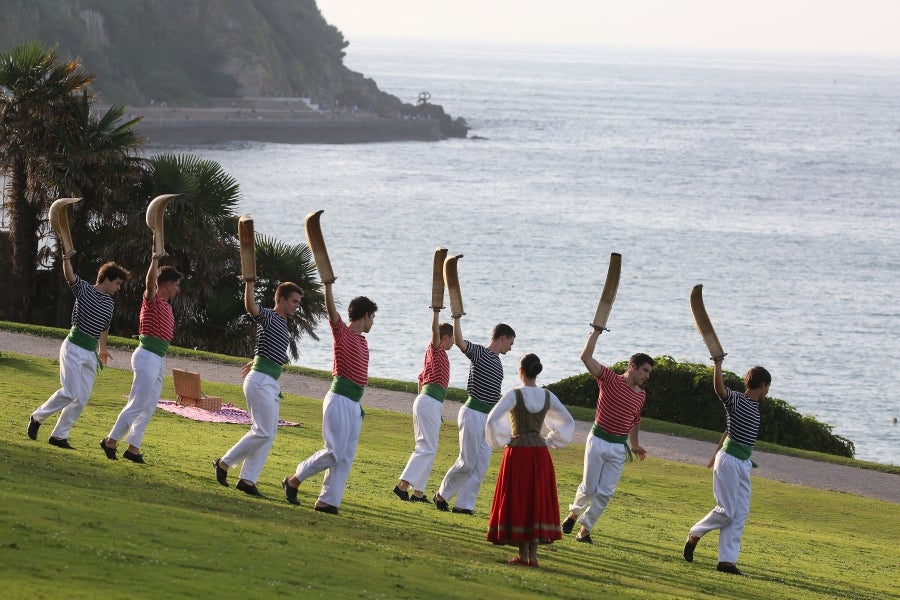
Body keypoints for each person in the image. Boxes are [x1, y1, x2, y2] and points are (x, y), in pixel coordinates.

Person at [282, 285, 377, 514]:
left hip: (354, 404)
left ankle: (328, 502)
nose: (373, 323)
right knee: (334, 452)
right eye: (372, 317)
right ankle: (294, 480)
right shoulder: (341, 332)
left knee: (345, 457)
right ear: (365, 315)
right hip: (339, 399)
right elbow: (331, 311)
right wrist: (328, 286)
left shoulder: (363, 342)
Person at [561, 327, 653, 544]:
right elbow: (586, 357)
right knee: (589, 487)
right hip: (598, 440)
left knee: (605, 493)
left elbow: (635, 420)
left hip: (619, 447)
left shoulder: (641, 395)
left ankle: (584, 531)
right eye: (645, 370)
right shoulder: (609, 378)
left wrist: (635, 444)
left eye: (649, 372)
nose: (647, 376)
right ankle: (573, 514)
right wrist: (596, 332)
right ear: (632, 367)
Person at [28, 258, 130, 449]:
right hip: (73, 348)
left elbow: (104, 328)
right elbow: (69, 275)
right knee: (70, 392)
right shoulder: (84, 289)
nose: (119, 288)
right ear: (106, 279)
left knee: (81, 397)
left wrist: (102, 349)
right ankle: (37, 417)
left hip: (90, 353)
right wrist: (66, 258)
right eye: (117, 283)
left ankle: (58, 436)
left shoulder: (109, 303)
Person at [213, 280, 303, 496]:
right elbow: (251, 307)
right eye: (294, 301)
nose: (296, 306)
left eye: (298, 303)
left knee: (268, 433)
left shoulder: (283, 323)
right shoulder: (269, 316)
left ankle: (247, 480)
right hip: (261, 381)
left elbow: (267, 348)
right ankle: (224, 462)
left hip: (269, 381)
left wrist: (256, 360)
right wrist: (250, 282)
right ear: (281, 299)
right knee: (263, 431)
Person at [682, 360, 771, 576]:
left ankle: (726, 562)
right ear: (762, 385)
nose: (768, 391)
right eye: (768, 387)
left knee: (740, 512)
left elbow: (727, 429)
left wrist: (715, 453)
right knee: (727, 510)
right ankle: (695, 533)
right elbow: (720, 390)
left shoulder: (754, 407)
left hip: (742, 463)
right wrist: (717, 364)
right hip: (730, 460)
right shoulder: (737, 399)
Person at [485, 353, 574, 567]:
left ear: (521, 371)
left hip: (518, 453)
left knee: (519, 499)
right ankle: (532, 557)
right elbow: (568, 421)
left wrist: (505, 439)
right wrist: (549, 440)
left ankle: (523, 556)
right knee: (536, 499)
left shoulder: (514, 394)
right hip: (539, 453)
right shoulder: (547, 396)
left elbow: (491, 419)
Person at [100, 248, 182, 464]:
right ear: (167, 284)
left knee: (149, 405)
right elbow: (149, 282)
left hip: (158, 358)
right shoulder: (152, 299)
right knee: (138, 403)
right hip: (147, 356)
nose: (178, 289)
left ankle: (133, 448)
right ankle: (110, 441)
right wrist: (155, 258)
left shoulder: (167, 307)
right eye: (176, 285)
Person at [433, 320, 516, 514]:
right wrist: (457, 319)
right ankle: (441, 495)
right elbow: (460, 342)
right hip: (472, 414)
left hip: (487, 418)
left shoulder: (498, 362)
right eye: (510, 343)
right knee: (467, 462)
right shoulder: (479, 352)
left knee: (481, 465)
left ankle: (464, 505)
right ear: (503, 338)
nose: (511, 348)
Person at [393, 310, 454, 502]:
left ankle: (418, 492)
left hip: (426, 401)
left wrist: (423, 402)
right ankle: (402, 485)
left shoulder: (433, 355)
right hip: (429, 402)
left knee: (428, 448)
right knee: (426, 448)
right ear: (445, 338)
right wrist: (436, 312)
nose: (454, 343)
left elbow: (420, 379)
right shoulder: (436, 348)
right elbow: (435, 331)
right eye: (453, 339)